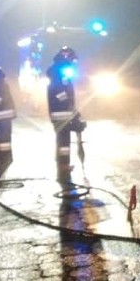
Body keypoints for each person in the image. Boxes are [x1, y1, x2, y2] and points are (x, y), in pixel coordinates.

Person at [46, 46, 85, 181]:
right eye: (73, 60)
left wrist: (74, 111)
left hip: (61, 112)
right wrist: (70, 105)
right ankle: (63, 166)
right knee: (64, 142)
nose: (74, 63)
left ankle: (62, 164)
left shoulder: (57, 69)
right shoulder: (60, 71)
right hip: (62, 113)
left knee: (63, 141)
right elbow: (59, 91)